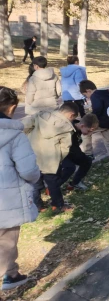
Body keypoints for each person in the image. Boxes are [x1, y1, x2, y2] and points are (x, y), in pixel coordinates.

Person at [0, 87, 40, 292]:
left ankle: (12, 273)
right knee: (7, 241)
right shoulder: (14, 135)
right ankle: (8, 275)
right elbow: (29, 171)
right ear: (12, 107)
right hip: (6, 199)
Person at [24, 103, 77, 214]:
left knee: (35, 183)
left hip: (32, 153)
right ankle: (57, 205)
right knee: (53, 183)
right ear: (71, 115)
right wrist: (59, 158)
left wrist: (28, 139)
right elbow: (65, 147)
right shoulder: (66, 127)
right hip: (50, 159)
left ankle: (37, 205)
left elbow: (25, 125)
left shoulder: (41, 116)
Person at [79, 80, 109, 162]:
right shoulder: (106, 94)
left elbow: (97, 109)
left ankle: (88, 153)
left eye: (85, 95)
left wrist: (91, 117)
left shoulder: (95, 96)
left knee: (85, 133)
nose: (87, 97)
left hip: (102, 122)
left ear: (88, 91)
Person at [59, 112, 98, 192]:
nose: (89, 133)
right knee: (70, 167)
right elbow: (72, 148)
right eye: (89, 131)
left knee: (87, 161)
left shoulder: (78, 127)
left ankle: (74, 183)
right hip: (61, 152)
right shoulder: (70, 130)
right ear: (83, 126)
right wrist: (80, 155)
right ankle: (54, 187)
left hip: (71, 151)